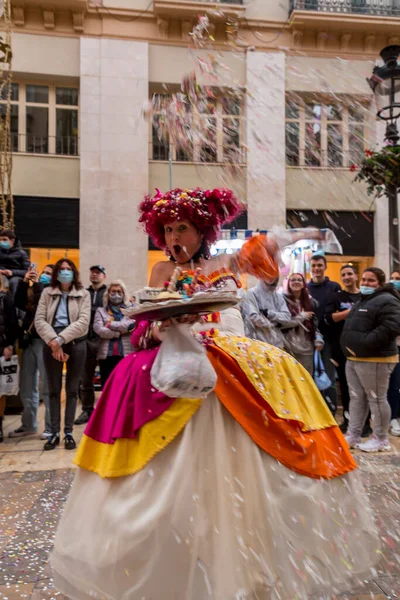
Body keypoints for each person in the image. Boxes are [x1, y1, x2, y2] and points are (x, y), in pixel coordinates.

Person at [51, 188, 379, 600]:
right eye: (167, 229)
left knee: (246, 452)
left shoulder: (224, 263)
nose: (173, 237)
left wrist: (307, 233)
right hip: (175, 364)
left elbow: (266, 248)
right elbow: (143, 324)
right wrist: (158, 327)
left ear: (201, 229)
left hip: (229, 359)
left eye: (182, 228)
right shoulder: (159, 274)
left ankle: (242, 554)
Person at [342, 267, 400, 452]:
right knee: (356, 398)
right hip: (355, 357)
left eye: (371, 280)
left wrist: (368, 342)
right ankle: (354, 433)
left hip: (375, 358)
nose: (366, 283)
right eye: (365, 280)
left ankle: (381, 438)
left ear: (380, 283)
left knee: (376, 399)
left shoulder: (388, 299)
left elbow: (392, 326)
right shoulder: (365, 299)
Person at [35, 259, 90, 451]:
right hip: (50, 343)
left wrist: (60, 341)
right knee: (53, 390)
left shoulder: (83, 294)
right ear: (57, 273)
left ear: (74, 273)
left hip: (75, 343)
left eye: (69, 269)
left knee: (73, 390)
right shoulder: (47, 293)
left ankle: (68, 433)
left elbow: (83, 323)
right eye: (62, 269)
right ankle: (53, 433)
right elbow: (39, 320)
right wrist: (53, 341)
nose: (65, 272)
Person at [9, 263, 55, 440]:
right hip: (29, 342)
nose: (44, 276)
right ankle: (28, 424)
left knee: (48, 387)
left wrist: (37, 285)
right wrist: (23, 282)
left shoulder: (53, 294)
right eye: (44, 273)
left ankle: (51, 427)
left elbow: (41, 306)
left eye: (49, 274)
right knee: (27, 387)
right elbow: (18, 303)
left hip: (46, 342)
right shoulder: (31, 289)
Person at [325, 264, 362, 434]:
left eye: (349, 274)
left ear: (356, 276)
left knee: (363, 389)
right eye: (343, 275)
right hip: (342, 350)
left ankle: (365, 424)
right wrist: (352, 312)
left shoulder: (365, 296)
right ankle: (348, 421)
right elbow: (331, 318)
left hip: (364, 350)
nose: (346, 277)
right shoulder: (336, 297)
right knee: (347, 388)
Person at [307, 253, 341, 413]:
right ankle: (314, 412)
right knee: (309, 377)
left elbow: (338, 312)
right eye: (313, 265)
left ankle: (330, 412)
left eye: (319, 265)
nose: (316, 268)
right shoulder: (305, 288)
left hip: (329, 340)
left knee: (328, 376)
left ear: (325, 267)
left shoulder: (334, 287)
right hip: (308, 340)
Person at [75, 265, 107, 426]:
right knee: (85, 378)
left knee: (107, 377)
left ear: (104, 276)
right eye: (93, 272)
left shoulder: (109, 293)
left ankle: (106, 411)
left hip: (104, 341)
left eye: (98, 273)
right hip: (85, 340)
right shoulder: (83, 293)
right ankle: (87, 410)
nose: (95, 275)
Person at [93, 280, 135, 387]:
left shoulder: (131, 310)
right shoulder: (101, 311)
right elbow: (99, 330)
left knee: (124, 387)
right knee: (107, 387)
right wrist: (119, 333)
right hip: (107, 356)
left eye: (119, 292)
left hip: (125, 354)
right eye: (113, 291)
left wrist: (110, 324)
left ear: (123, 293)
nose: (116, 294)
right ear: (108, 294)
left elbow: (132, 326)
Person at [282, 272, 323, 374]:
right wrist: (302, 316)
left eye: (299, 280)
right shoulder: (281, 301)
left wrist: (318, 338)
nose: (296, 282)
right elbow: (281, 324)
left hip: (306, 348)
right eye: (293, 280)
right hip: (287, 347)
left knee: (306, 379)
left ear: (304, 284)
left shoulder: (311, 302)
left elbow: (314, 325)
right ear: (288, 283)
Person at [242, 278, 291, 348]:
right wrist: (277, 323)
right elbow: (253, 318)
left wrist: (268, 313)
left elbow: (287, 317)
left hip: (277, 344)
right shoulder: (252, 293)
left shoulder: (278, 296)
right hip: (258, 344)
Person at [0, 278, 18, 443]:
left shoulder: (6, 298)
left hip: (1, 348)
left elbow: (12, 323)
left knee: (0, 390)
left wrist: (9, 345)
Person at [387, 270, 400, 436]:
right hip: (393, 346)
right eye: (393, 278)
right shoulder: (388, 299)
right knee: (394, 384)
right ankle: (393, 418)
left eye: (399, 278)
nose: (395, 281)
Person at [0, 228, 30, 297]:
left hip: (16, 277)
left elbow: (27, 271)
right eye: (0, 240)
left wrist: (12, 272)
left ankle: (11, 303)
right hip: (1, 275)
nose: (1, 242)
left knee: (13, 282)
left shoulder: (22, 253)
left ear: (12, 240)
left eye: (4, 239)